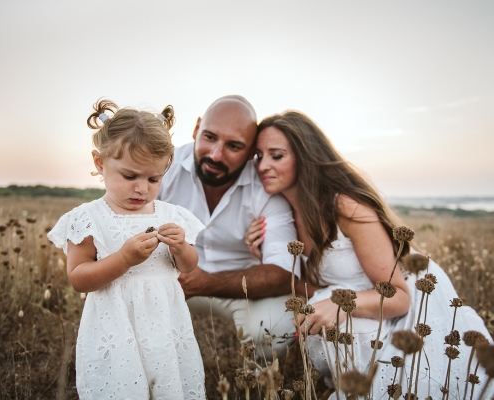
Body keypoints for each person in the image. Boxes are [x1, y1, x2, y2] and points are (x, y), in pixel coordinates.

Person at [245, 110, 494, 399]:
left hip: (411, 306)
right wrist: (267, 254)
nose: (263, 165)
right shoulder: (283, 214)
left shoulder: (346, 206)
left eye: (276, 155)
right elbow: (318, 286)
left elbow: (399, 297)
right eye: (258, 156)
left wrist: (339, 306)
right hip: (368, 307)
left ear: (305, 157)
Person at [48, 99, 206, 399]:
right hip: (115, 326)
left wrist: (181, 247)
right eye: (130, 176)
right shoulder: (88, 218)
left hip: (165, 326)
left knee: (168, 383)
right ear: (100, 163)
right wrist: (123, 259)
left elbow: (188, 266)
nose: (142, 188)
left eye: (153, 179)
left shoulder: (170, 214)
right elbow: (79, 277)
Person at [158, 95, 300, 359]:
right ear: (197, 127)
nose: (215, 155)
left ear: (250, 153)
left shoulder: (267, 187)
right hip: (167, 280)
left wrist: (207, 283)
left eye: (234, 146)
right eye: (210, 137)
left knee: (274, 331)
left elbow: (284, 272)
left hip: (240, 289)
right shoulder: (164, 166)